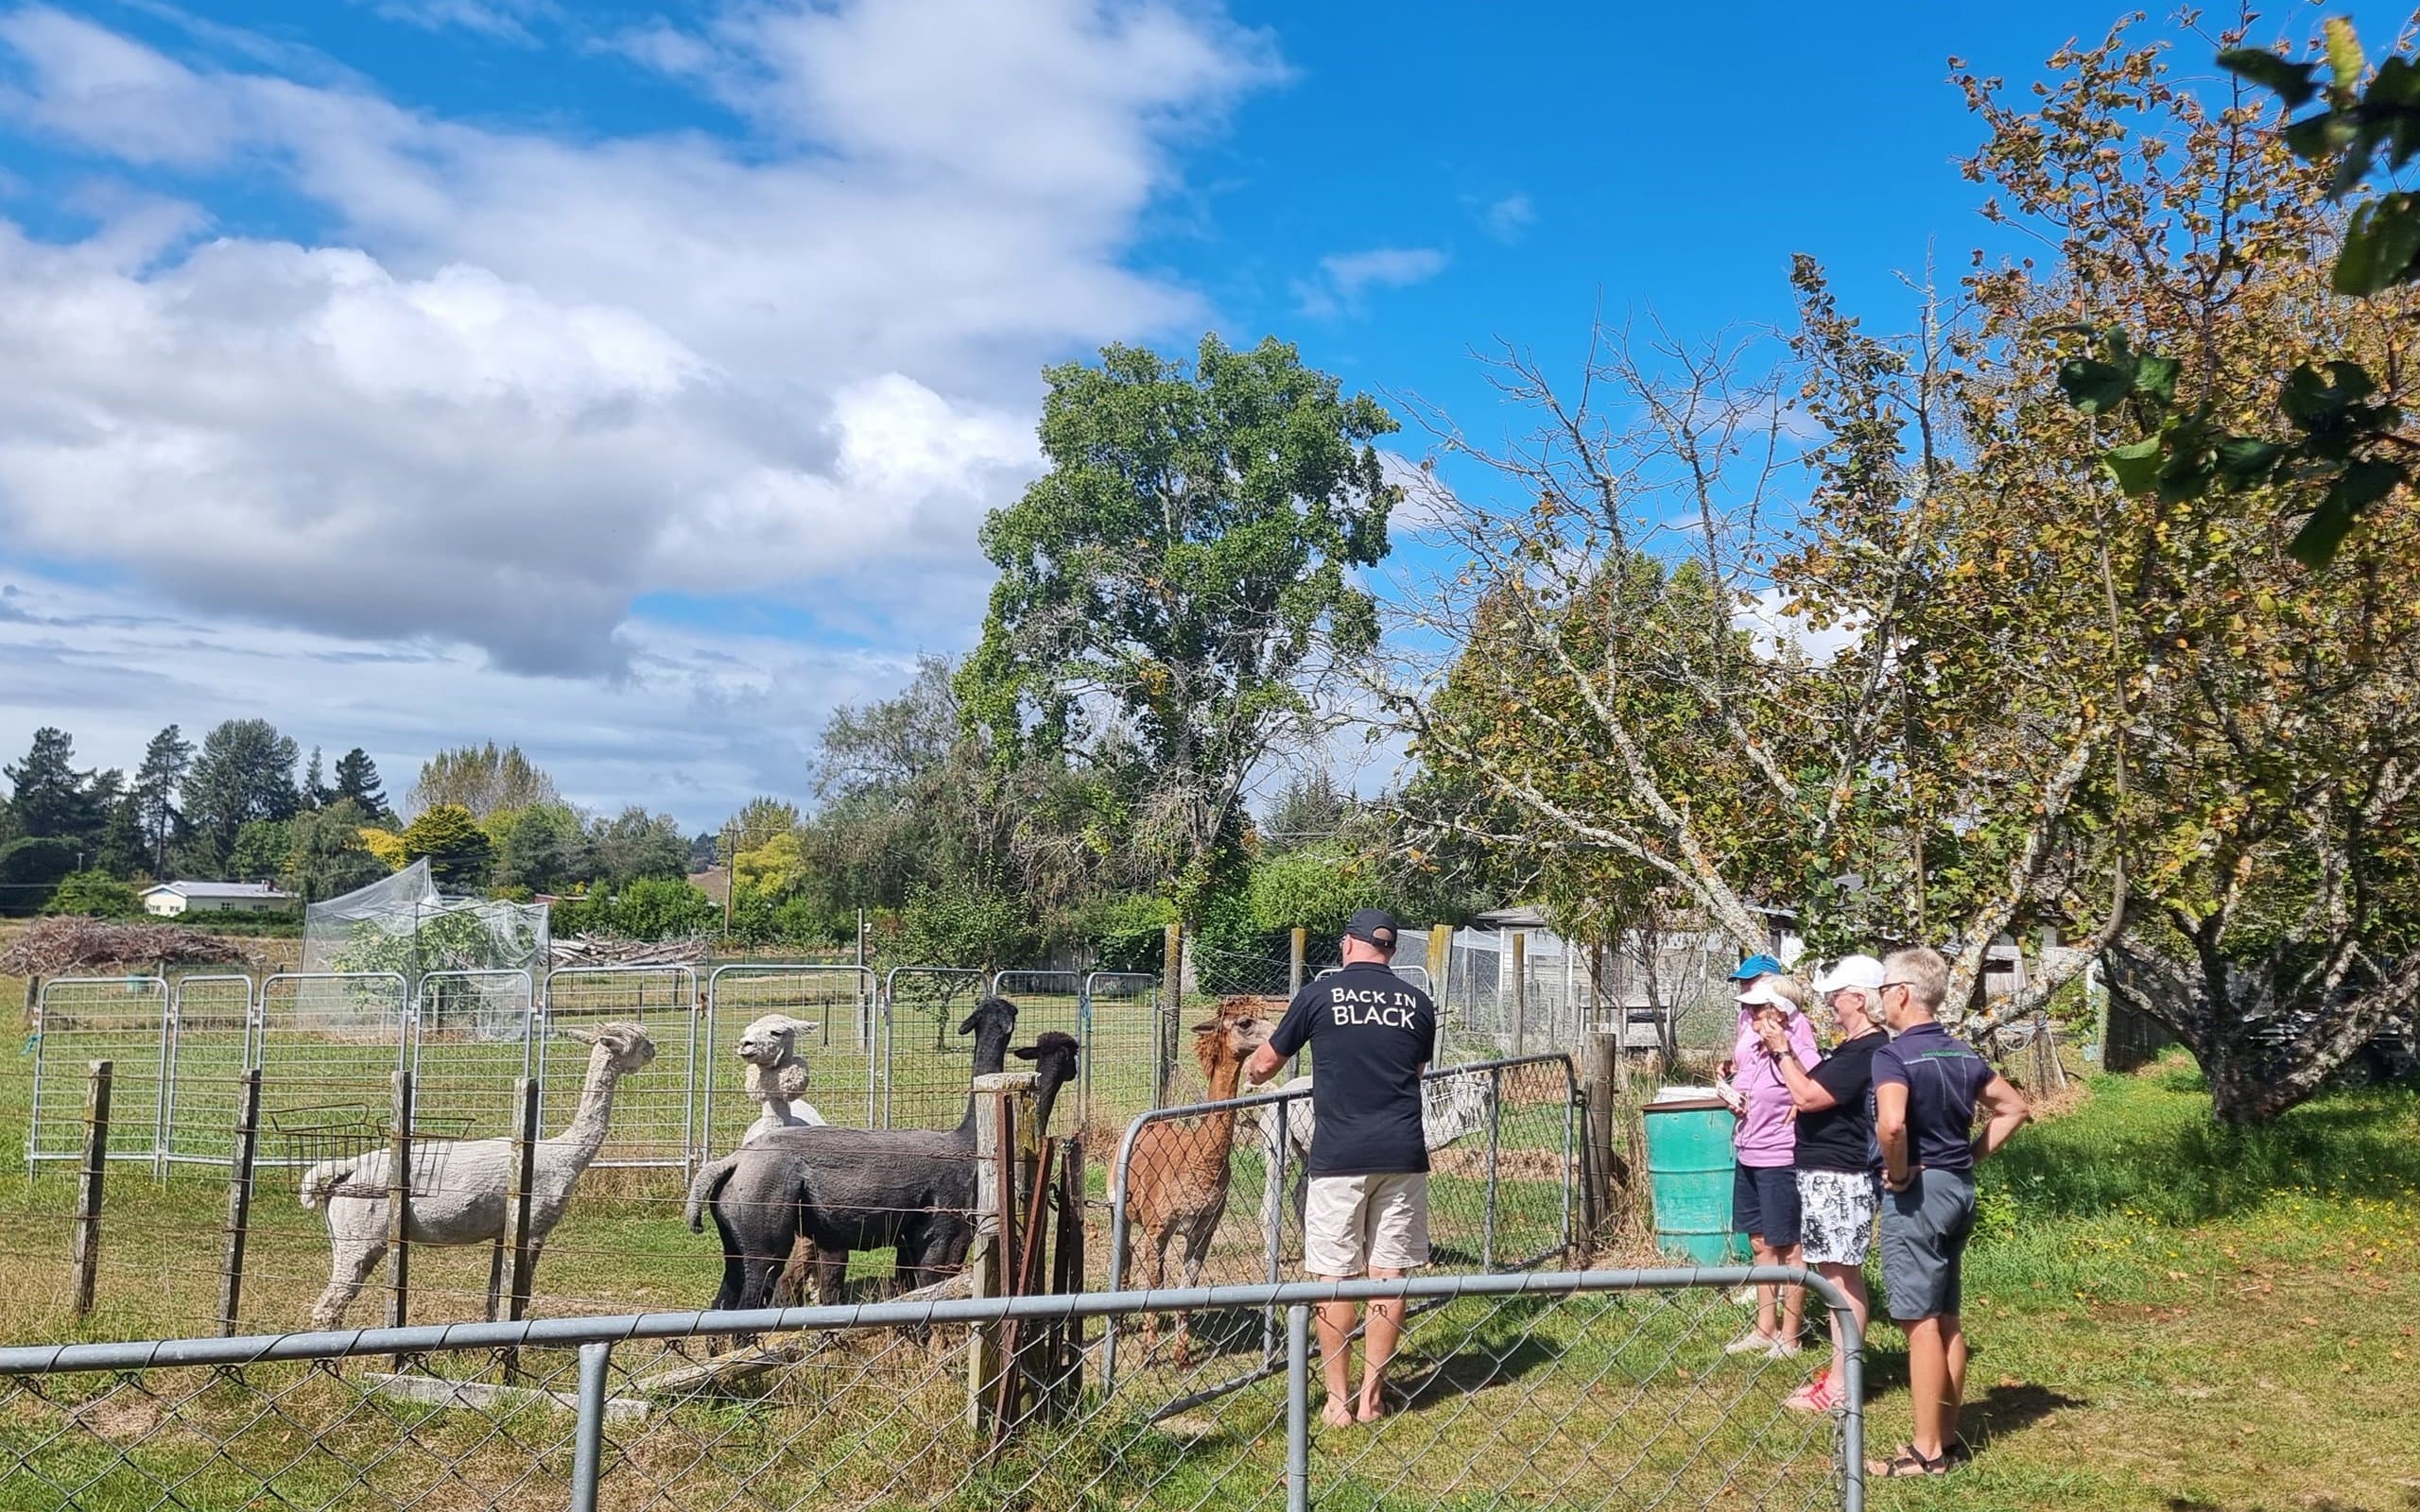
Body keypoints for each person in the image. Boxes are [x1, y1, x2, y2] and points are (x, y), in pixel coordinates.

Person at [1245, 907, 1438, 1428]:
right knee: (1388, 1276)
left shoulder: (1319, 996)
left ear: (1348, 946)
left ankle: (1336, 1400)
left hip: (1338, 1157)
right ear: (1391, 951)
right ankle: (1373, 1398)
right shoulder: (1419, 1003)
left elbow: (1265, 1064)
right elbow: (1415, 1069)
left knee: (1334, 1277)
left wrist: (1249, 1074)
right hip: (1402, 1154)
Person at [1868, 945, 2032, 1477]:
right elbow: (2014, 1109)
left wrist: (1896, 1174)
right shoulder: (1964, 1054)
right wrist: (1968, 1157)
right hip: (1958, 1189)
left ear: (1901, 993)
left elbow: (1891, 1125)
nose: (1879, 1000)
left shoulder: (1892, 1055)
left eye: (1882, 989)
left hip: (1917, 1195)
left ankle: (1926, 1452)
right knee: (1947, 1320)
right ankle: (1945, 1438)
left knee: (1919, 1325)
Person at [1757, 954, 1890, 1413]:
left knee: (1840, 1277)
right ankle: (1839, 1375)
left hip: (1842, 1176)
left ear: (1860, 998)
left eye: (1836, 996)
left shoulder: (1868, 1049)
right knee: (1834, 1273)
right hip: (1827, 1174)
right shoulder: (1852, 1049)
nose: (1830, 1004)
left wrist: (1782, 1050)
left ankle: (1842, 1386)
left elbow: (1809, 1096)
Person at [1715, 956, 1819, 1358]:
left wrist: (1799, 1105)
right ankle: (1764, 1328)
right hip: (1749, 1148)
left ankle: (1789, 1337)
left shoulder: (1795, 1042)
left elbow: (1818, 1087)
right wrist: (1734, 1097)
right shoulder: (1754, 1045)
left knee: (1789, 1243)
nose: (1749, 1011)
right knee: (1759, 1241)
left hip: (1781, 1154)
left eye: (1758, 1007)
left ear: (1780, 1012)